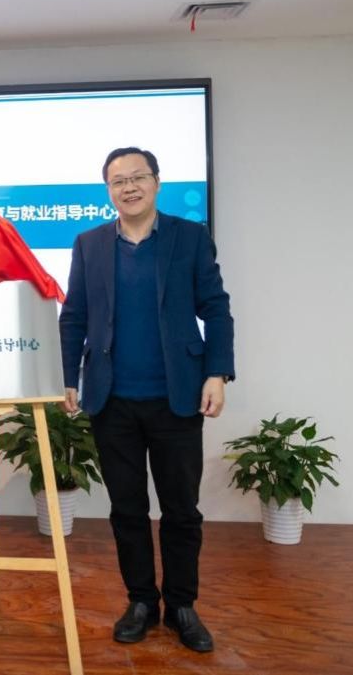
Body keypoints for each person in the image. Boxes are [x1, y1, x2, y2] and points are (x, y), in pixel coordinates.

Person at [58, 147, 234, 653]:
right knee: (127, 510)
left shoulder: (189, 237)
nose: (129, 187)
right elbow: (75, 316)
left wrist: (217, 373)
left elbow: (216, 309)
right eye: (118, 181)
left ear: (157, 182)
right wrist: (68, 377)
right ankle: (140, 601)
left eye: (138, 177)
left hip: (176, 398)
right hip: (112, 401)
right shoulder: (89, 244)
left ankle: (182, 605)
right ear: (108, 191)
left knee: (182, 511)